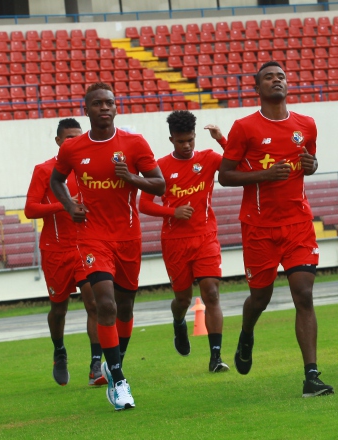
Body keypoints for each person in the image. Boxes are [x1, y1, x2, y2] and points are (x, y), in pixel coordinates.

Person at [218, 61, 333, 397]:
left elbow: (308, 164)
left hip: (298, 223)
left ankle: (311, 376)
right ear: (257, 87)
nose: (276, 80)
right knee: (260, 297)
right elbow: (225, 176)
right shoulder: (244, 127)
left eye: (281, 76)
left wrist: (312, 165)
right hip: (258, 228)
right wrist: (263, 175)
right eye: (269, 77)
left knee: (304, 294)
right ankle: (246, 333)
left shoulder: (306, 124)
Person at [50, 82, 165, 410]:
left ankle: (116, 362)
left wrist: (131, 178)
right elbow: (56, 180)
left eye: (109, 103)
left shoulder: (134, 143)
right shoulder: (73, 149)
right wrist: (70, 206)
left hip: (128, 237)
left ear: (116, 108)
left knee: (126, 307)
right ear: (86, 109)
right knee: (106, 305)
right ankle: (118, 378)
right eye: (97, 103)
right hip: (92, 237)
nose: (104, 107)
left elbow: (160, 184)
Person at [138, 111, 229, 373]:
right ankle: (179, 322)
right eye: (181, 141)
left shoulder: (209, 159)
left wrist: (221, 138)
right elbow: (143, 204)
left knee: (211, 293)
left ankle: (215, 356)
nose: (187, 145)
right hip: (175, 241)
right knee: (183, 298)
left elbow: (239, 164)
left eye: (190, 140)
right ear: (171, 139)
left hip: (206, 237)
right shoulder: (160, 167)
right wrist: (172, 212)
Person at [24, 118, 106, 387]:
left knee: (94, 305)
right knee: (59, 309)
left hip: (86, 247)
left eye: (78, 137)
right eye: (69, 137)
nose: (74, 141)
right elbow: (31, 209)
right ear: (58, 141)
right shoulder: (44, 170)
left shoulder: (88, 168)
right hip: (55, 251)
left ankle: (96, 365)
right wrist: (63, 206)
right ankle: (59, 352)